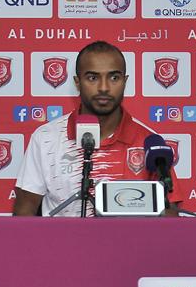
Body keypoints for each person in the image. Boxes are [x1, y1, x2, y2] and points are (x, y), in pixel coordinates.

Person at [13, 41, 183, 217]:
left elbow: (169, 215)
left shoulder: (150, 142)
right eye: (93, 78)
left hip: (130, 244)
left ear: (125, 82)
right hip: (61, 244)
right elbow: (25, 208)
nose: (104, 88)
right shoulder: (46, 137)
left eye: (114, 78)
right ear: (77, 83)